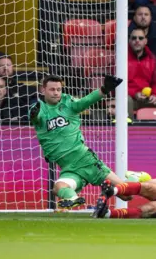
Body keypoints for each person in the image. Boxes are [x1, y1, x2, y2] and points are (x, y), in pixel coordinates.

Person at [29, 74, 126, 210]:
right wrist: (33, 113)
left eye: (58, 89)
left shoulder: (68, 103)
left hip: (86, 161)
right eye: (52, 89)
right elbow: (35, 116)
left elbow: (86, 101)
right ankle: (74, 199)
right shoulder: (40, 109)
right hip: (69, 169)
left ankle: (143, 184)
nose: (56, 92)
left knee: (127, 194)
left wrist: (104, 89)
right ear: (43, 90)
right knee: (58, 187)